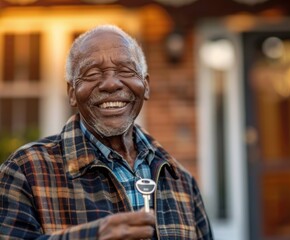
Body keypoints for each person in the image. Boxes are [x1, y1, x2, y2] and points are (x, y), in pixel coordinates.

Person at [0, 24, 213, 239]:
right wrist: (93, 235)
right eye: (92, 73)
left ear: (145, 86)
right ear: (72, 93)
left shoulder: (182, 181)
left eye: (126, 71)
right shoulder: (26, 170)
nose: (111, 84)